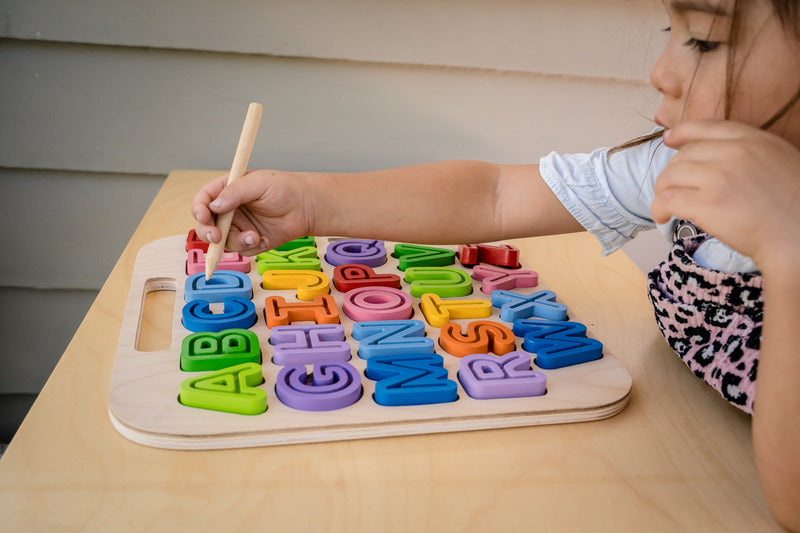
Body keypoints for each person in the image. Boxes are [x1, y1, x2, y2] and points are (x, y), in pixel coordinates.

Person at [193, 0, 800, 528]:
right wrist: (310, 202)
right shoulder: (680, 164)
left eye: (705, 39)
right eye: (671, 34)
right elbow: (494, 196)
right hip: (666, 440)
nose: (661, 71)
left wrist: (787, 247)